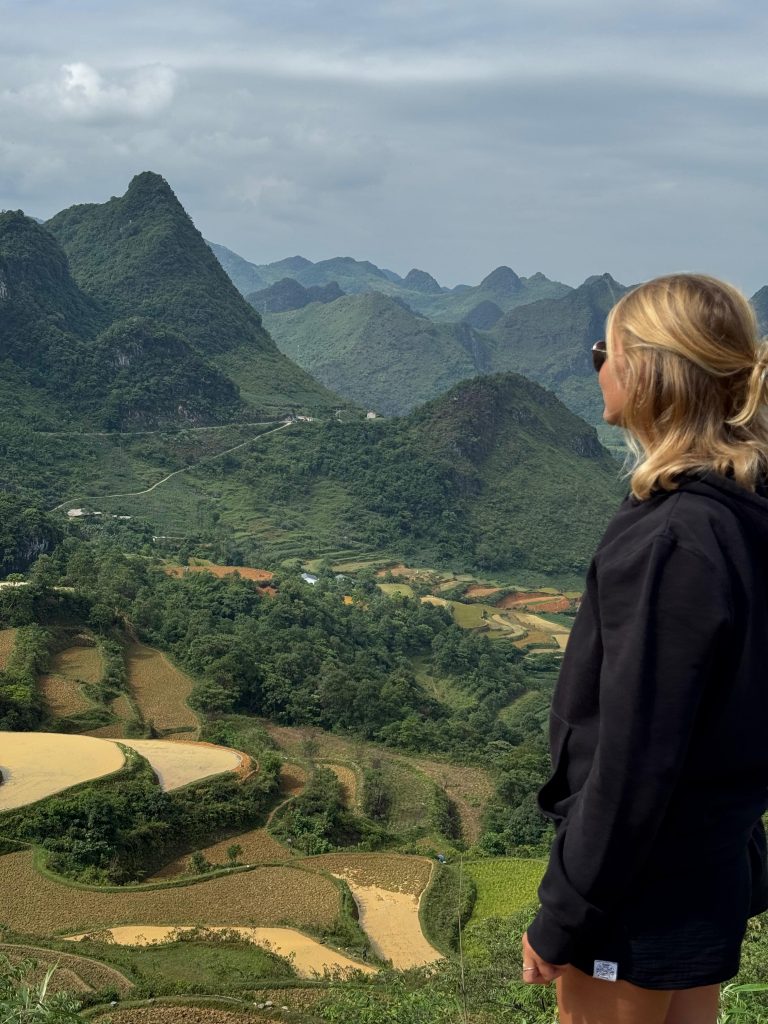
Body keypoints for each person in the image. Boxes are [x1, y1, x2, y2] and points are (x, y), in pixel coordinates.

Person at [521, 274, 768, 1024]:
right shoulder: (745, 510)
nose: (596, 364)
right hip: (709, 864)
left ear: (645, 371)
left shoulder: (673, 537)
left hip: (640, 887)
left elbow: (633, 759)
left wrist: (565, 911)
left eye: (605, 349)